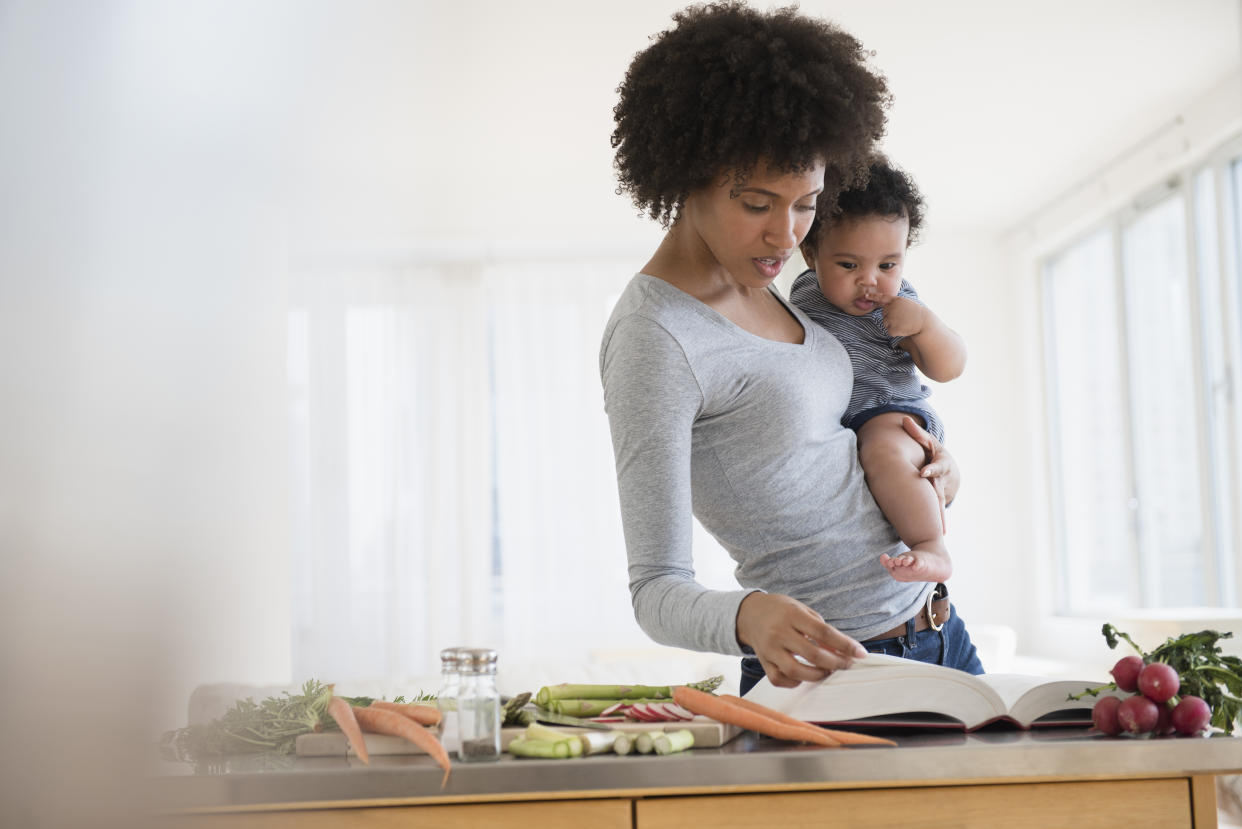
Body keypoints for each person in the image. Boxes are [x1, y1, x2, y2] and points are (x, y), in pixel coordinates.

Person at [599, 1, 983, 697]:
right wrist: (748, 616)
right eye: (756, 203)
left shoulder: (782, 288)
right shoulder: (655, 338)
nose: (787, 235)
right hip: (832, 672)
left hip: (938, 628)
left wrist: (933, 463)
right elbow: (654, 588)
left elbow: (827, 445)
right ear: (685, 175)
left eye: (806, 202)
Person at [790, 161, 965, 586]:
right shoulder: (801, 296)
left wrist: (925, 326)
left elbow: (950, 367)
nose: (870, 281)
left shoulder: (900, 304)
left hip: (890, 410)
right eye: (849, 265)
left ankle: (931, 546)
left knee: (884, 450)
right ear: (811, 254)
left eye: (888, 265)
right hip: (841, 423)